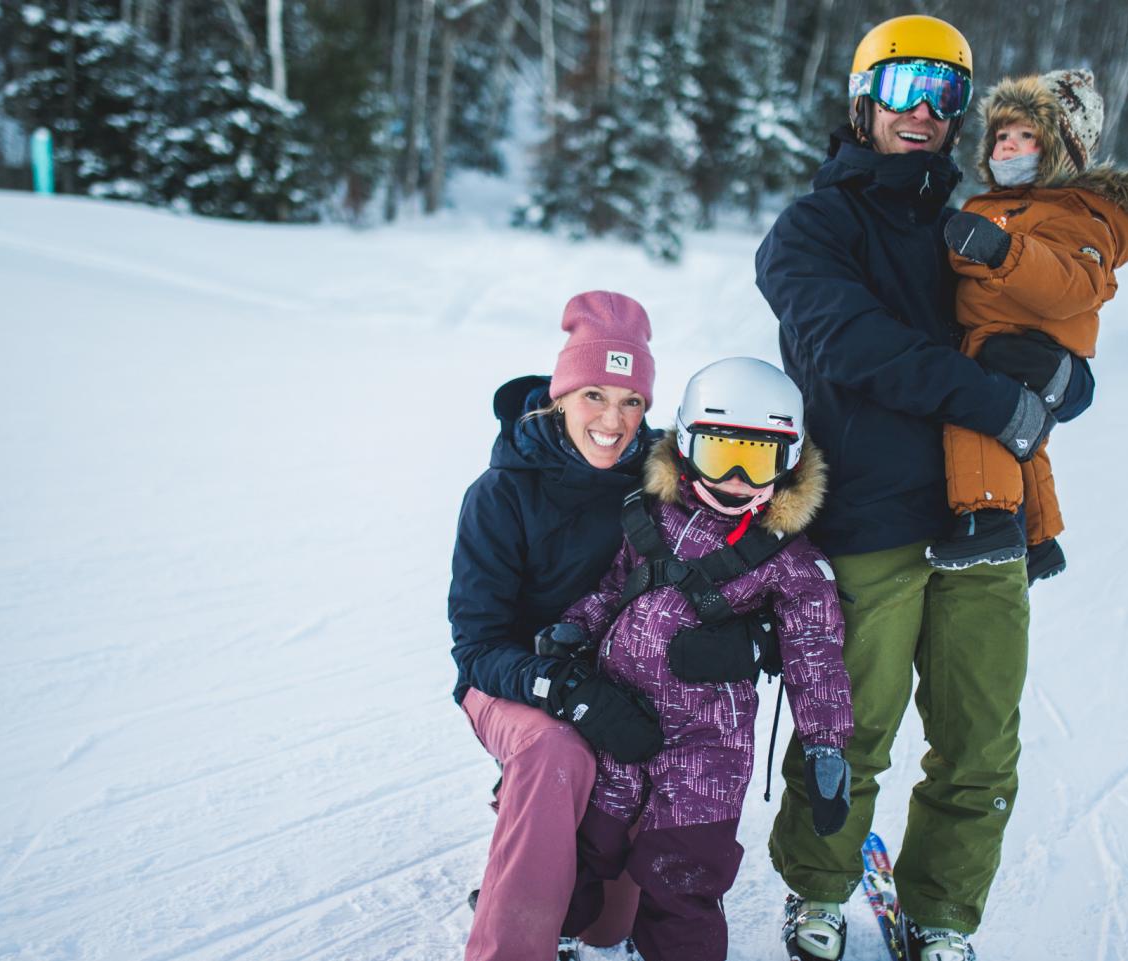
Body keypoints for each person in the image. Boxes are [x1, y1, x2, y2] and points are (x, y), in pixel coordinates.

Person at [753, 15, 1095, 961]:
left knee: (980, 741)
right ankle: (817, 890)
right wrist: (994, 398)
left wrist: (1067, 378)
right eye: (904, 89)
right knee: (849, 727)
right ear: (864, 102)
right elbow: (851, 345)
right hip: (867, 515)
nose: (925, 112)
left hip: (985, 513)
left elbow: (1050, 309)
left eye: (946, 95)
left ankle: (943, 909)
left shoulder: (979, 227)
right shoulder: (813, 229)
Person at [550, 358, 854, 961]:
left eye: (760, 459)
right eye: (721, 456)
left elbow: (814, 651)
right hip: (616, 717)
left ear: (790, 463)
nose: (738, 479)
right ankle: (555, 930)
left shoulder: (789, 558)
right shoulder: (650, 517)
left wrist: (825, 742)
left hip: (707, 747)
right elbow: (614, 589)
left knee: (685, 869)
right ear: (686, 447)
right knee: (586, 843)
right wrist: (573, 629)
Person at [447, 290, 664, 961]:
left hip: (618, 688)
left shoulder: (659, 485)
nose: (613, 418)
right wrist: (558, 689)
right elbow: (477, 645)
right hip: (511, 688)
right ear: (561, 396)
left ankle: (550, 854)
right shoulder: (502, 491)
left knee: (606, 928)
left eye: (632, 401)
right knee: (555, 751)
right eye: (595, 394)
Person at [923, 68, 1128, 575]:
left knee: (977, 414)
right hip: (993, 332)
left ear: (1063, 149)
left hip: (1025, 341)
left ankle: (987, 516)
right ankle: (1039, 539)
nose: (1010, 147)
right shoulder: (991, 204)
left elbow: (1073, 285)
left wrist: (1003, 252)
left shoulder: (1079, 214)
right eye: (1001, 136)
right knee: (1022, 438)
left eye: (1027, 136)